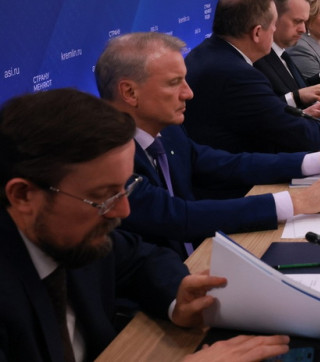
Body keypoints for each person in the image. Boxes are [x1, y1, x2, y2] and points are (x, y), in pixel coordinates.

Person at [0, 88, 291, 361]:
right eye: (103, 196)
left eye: (124, 189)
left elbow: (141, 259)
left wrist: (177, 299)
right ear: (23, 195)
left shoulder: (72, 230)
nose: (123, 210)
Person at [95, 32, 320, 255]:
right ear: (129, 92)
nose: (188, 93)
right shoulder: (104, 157)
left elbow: (226, 164)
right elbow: (177, 216)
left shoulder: (168, 131)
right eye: (174, 83)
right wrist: (297, 201)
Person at [184, 0, 320, 154]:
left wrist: (301, 113)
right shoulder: (239, 74)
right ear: (257, 32)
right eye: (273, 25)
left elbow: (258, 118)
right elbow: (305, 138)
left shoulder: (204, 52)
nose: (274, 31)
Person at [254, 0, 320, 120]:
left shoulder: (282, 52)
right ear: (273, 19)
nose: (302, 29)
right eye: (297, 21)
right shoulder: (258, 58)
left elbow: (299, 90)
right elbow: (265, 114)